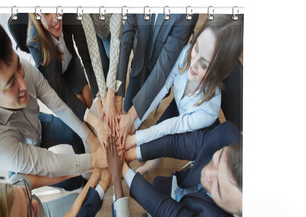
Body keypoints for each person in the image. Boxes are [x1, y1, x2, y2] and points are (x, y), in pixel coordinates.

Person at [0, 15, 107, 190]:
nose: (24, 84)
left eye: (19, 66)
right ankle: (82, 184)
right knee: (68, 181)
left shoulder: (23, 70)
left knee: (76, 133)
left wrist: (92, 140)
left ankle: (85, 171)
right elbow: (47, 163)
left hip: (38, 124)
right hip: (21, 153)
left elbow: (57, 104)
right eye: (11, 84)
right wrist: (95, 160)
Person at [122, 15, 243, 174]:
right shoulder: (186, 52)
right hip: (181, 106)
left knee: (162, 143)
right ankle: (149, 164)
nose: (193, 64)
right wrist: (134, 123)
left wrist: (134, 139)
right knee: (156, 133)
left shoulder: (209, 111)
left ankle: (147, 167)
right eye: (197, 49)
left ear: (218, 72)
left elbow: (172, 127)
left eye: (204, 64)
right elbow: (163, 88)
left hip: (193, 127)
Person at [27, 13, 110, 149]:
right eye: (47, 13)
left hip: (71, 64)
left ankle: (97, 133)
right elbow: (60, 89)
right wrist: (96, 123)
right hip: (57, 78)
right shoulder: (35, 43)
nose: (56, 17)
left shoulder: (69, 13)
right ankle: (95, 140)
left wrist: (100, 108)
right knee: (78, 105)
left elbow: (87, 60)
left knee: (88, 96)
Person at [116, 13, 198, 147]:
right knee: (127, 106)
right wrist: (118, 94)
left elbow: (163, 69)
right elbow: (127, 35)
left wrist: (131, 117)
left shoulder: (186, 14)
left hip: (161, 74)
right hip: (139, 63)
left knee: (135, 116)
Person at [81, 14, 123, 136]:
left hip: (113, 29)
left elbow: (116, 41)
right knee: (103, 70)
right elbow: (93, 53)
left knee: (113, 58)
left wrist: (110, 95)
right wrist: (103, 101)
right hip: (96, 29)